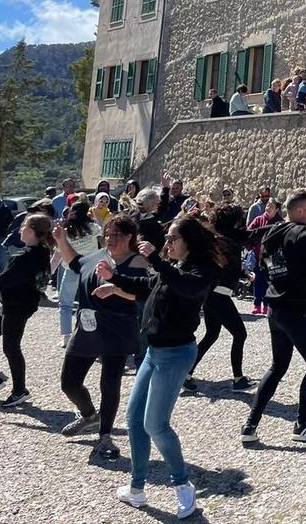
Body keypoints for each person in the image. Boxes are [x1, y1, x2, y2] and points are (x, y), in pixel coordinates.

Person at [106, 216, 220, 518]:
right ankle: (137, 489)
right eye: (167, 238)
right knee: (134, 421)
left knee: (155, 424)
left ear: (189, 242)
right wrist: (113, 279)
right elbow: (147, 286)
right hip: (152, 353)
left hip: (176, 353)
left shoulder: (200, 271)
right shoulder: (173, 268)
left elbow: (185, 287)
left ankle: (184, 487)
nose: (167, 243)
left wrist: (155, 258)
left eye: (173, 239)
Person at [243, 188, 306, 445]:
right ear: (298, 211)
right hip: (295, 310)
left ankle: (250, 425)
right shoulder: (303, 233)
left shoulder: (273, 231)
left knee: (277, 367)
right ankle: (303, 422)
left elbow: (265, 264)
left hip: (275, 309)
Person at [55, 213, 150, 460]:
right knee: (69, 382)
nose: (110, 238)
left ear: (129, 237)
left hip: (117, 328)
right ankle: (88, 415)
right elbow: (75, 263)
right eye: (107, 234)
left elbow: (140, 294)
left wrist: (115, 288)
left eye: (116, 234)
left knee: (110, 383)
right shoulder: (97, 257)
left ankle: (105, 436)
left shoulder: (136, 261)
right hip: (87, 327)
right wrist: (62, 240)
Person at [0, 213, 54, 407]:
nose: (20, 229)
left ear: (31, 231)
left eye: (23, 226)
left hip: (18, 306)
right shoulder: (41, 251)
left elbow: (2, 280)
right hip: (13, 305)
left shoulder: (24, 257)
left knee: (11, 347)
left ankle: (19, 391)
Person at [185, 205, 252, 393]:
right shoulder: (222, 241)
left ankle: (187, 373)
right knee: (240, 334)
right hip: (218, 295)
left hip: (214, 295)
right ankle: (238, 379)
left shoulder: (224, 239)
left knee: (211, 335)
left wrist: (243, 273)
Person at [58, 201, 103, 346]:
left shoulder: (66, 229)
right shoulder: (94, 228)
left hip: (71, 268)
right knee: (90, 304)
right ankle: (89, 334)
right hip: (91, 269)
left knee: (65, 303)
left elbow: (59, 252)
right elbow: (103, 244)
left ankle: (66, 335)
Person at [247, 198, 283, 316]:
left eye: (271, 206)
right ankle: (257, 304)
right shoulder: (259, 219)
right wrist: (249, 246)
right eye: (267, 205)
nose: (268, 208)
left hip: (272, 257)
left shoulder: (280, 222)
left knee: (269, 281)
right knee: (258, 280)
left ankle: (267, 304)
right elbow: (250, 232)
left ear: (277, 209)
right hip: (258, 256)